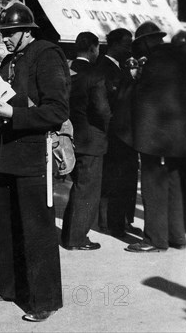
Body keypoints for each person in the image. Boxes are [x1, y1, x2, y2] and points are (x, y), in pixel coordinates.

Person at [0, 1, 68, 322]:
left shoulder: (47, 55)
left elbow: (57, 110)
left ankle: (43, 299)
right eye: (3, 32)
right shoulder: (9, 60)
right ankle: (10, 287)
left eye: (10, 32)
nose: (5, 37)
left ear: (26, 31)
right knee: (7, 226)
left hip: (33, 152)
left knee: (36, 230)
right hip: (7, 151)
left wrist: (14, 114)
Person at [114, 22, 186, 252]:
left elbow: (135, 98)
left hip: (154, 138)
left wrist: (131, 79)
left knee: (152, 185)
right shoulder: (179, 58)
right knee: (175, 183)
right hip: (179, 138)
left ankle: (155, 239)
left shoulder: (152, 63)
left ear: (145, 42)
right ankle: (177, 236)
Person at [61, 32, 111, 251]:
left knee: (78, 187)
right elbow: (102, 110)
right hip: (92, 139)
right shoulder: (96, 75)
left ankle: (69, 234)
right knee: (88, 190)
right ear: (93, 48)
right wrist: (110, 125)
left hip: (72, 136)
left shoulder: (67, 73)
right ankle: (77, 238)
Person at [94, 28, 138, 238]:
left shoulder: (121, 67)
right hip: (114, 134)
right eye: (126, 44)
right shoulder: (103, 67)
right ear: (114, 44)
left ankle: (122, 220)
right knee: (113, 179)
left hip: (125, 133)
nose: (129, 49)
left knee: (125, 178)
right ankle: (109, 222)